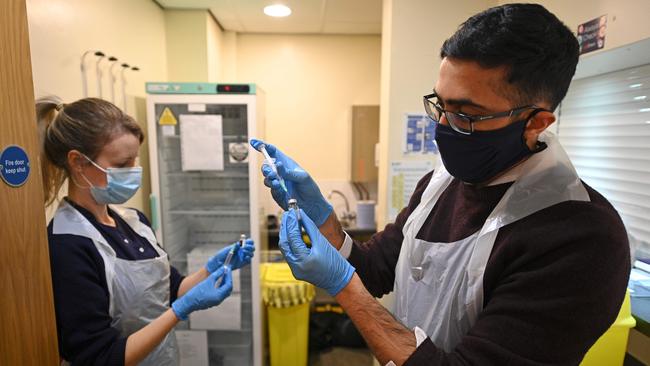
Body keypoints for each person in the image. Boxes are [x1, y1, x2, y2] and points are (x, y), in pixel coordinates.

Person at [253, 3, 630, 365]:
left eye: (467, 114)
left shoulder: (582, 238)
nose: (443, 128)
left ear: (536, 123)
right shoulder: (441, 184)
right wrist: (324, 220)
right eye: (441, 105)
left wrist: (340, 285)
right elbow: (373, 269)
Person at [37, 97, 255, 365]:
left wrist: (211, 269)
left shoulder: (133, 221)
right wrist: (179, 312)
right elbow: (100, 357)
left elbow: (169, 288)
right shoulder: (67, 245)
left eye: (134, 161)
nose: (133, 173)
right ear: (78, 162)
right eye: (121, 164)